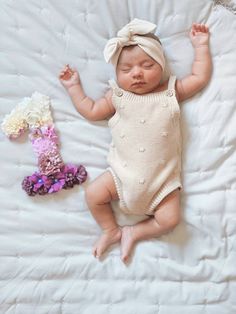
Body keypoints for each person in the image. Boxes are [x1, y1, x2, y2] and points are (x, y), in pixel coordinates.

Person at [59, 19, 212, 263]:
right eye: (126, 69)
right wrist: (74, 87)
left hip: (163, 181)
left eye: (147, 65)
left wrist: (201, 45)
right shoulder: (117, 97)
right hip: (121, 175)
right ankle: (110, 230)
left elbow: (199, 77)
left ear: (161, 66)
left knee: (170, 219)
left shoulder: (171, 91)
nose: (137, 73)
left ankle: (135, 231)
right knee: (93, 195)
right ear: (117, 74)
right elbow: (91, 110)